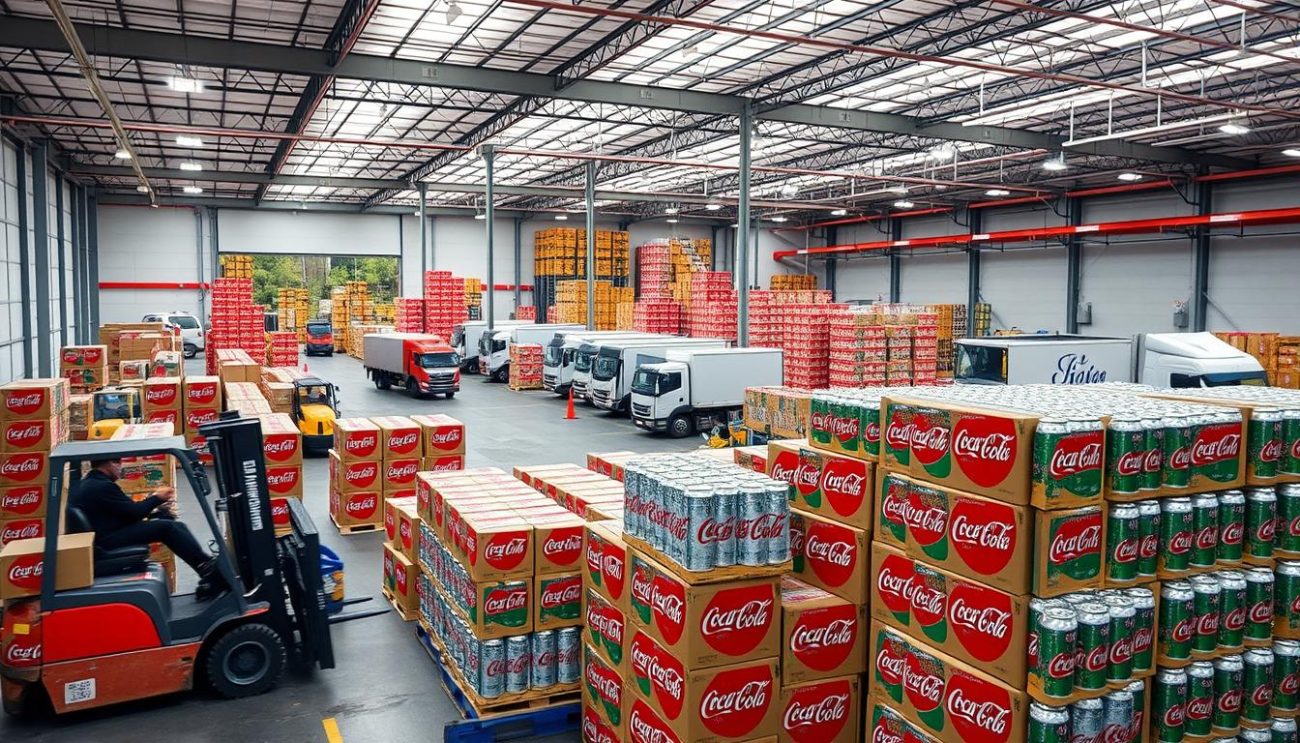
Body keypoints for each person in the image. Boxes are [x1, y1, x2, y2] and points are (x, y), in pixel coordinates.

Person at [72, 458, 229, 601]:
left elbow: (125, 513)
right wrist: (157, 498)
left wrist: (157, 509)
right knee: (167, 528)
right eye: (118, 462)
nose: (121, 467)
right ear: (109, 464)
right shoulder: (102, 487)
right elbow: (135, 512)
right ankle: (207, 568)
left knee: (170, 523)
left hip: (108, 532)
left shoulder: (92, 483)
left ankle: (205, 567)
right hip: (107, 540)